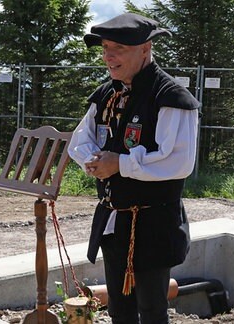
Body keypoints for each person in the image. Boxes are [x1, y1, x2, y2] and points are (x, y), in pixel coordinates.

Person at [67, 12, 200, 324]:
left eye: (118, 49)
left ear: (145, 49)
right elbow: (80, 140)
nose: (108, 56)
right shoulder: (106, 94)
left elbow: (178, 161)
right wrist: (95, 162)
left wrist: (120, 164)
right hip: (114, 221)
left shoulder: (170, 96)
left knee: (153, 308)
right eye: (105, 48)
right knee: (119, 308)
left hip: (153, 223)